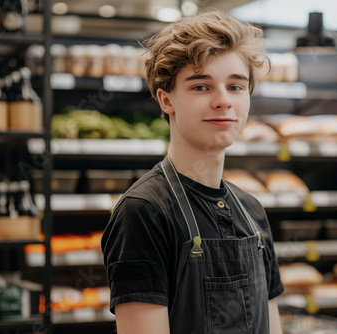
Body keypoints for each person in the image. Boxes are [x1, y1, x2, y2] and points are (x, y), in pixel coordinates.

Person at [101, 10, 284, 334]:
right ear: (166, 99)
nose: (223, 101)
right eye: (201, 87)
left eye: (236, 87)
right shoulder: (144, 212)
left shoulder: (252, 210)